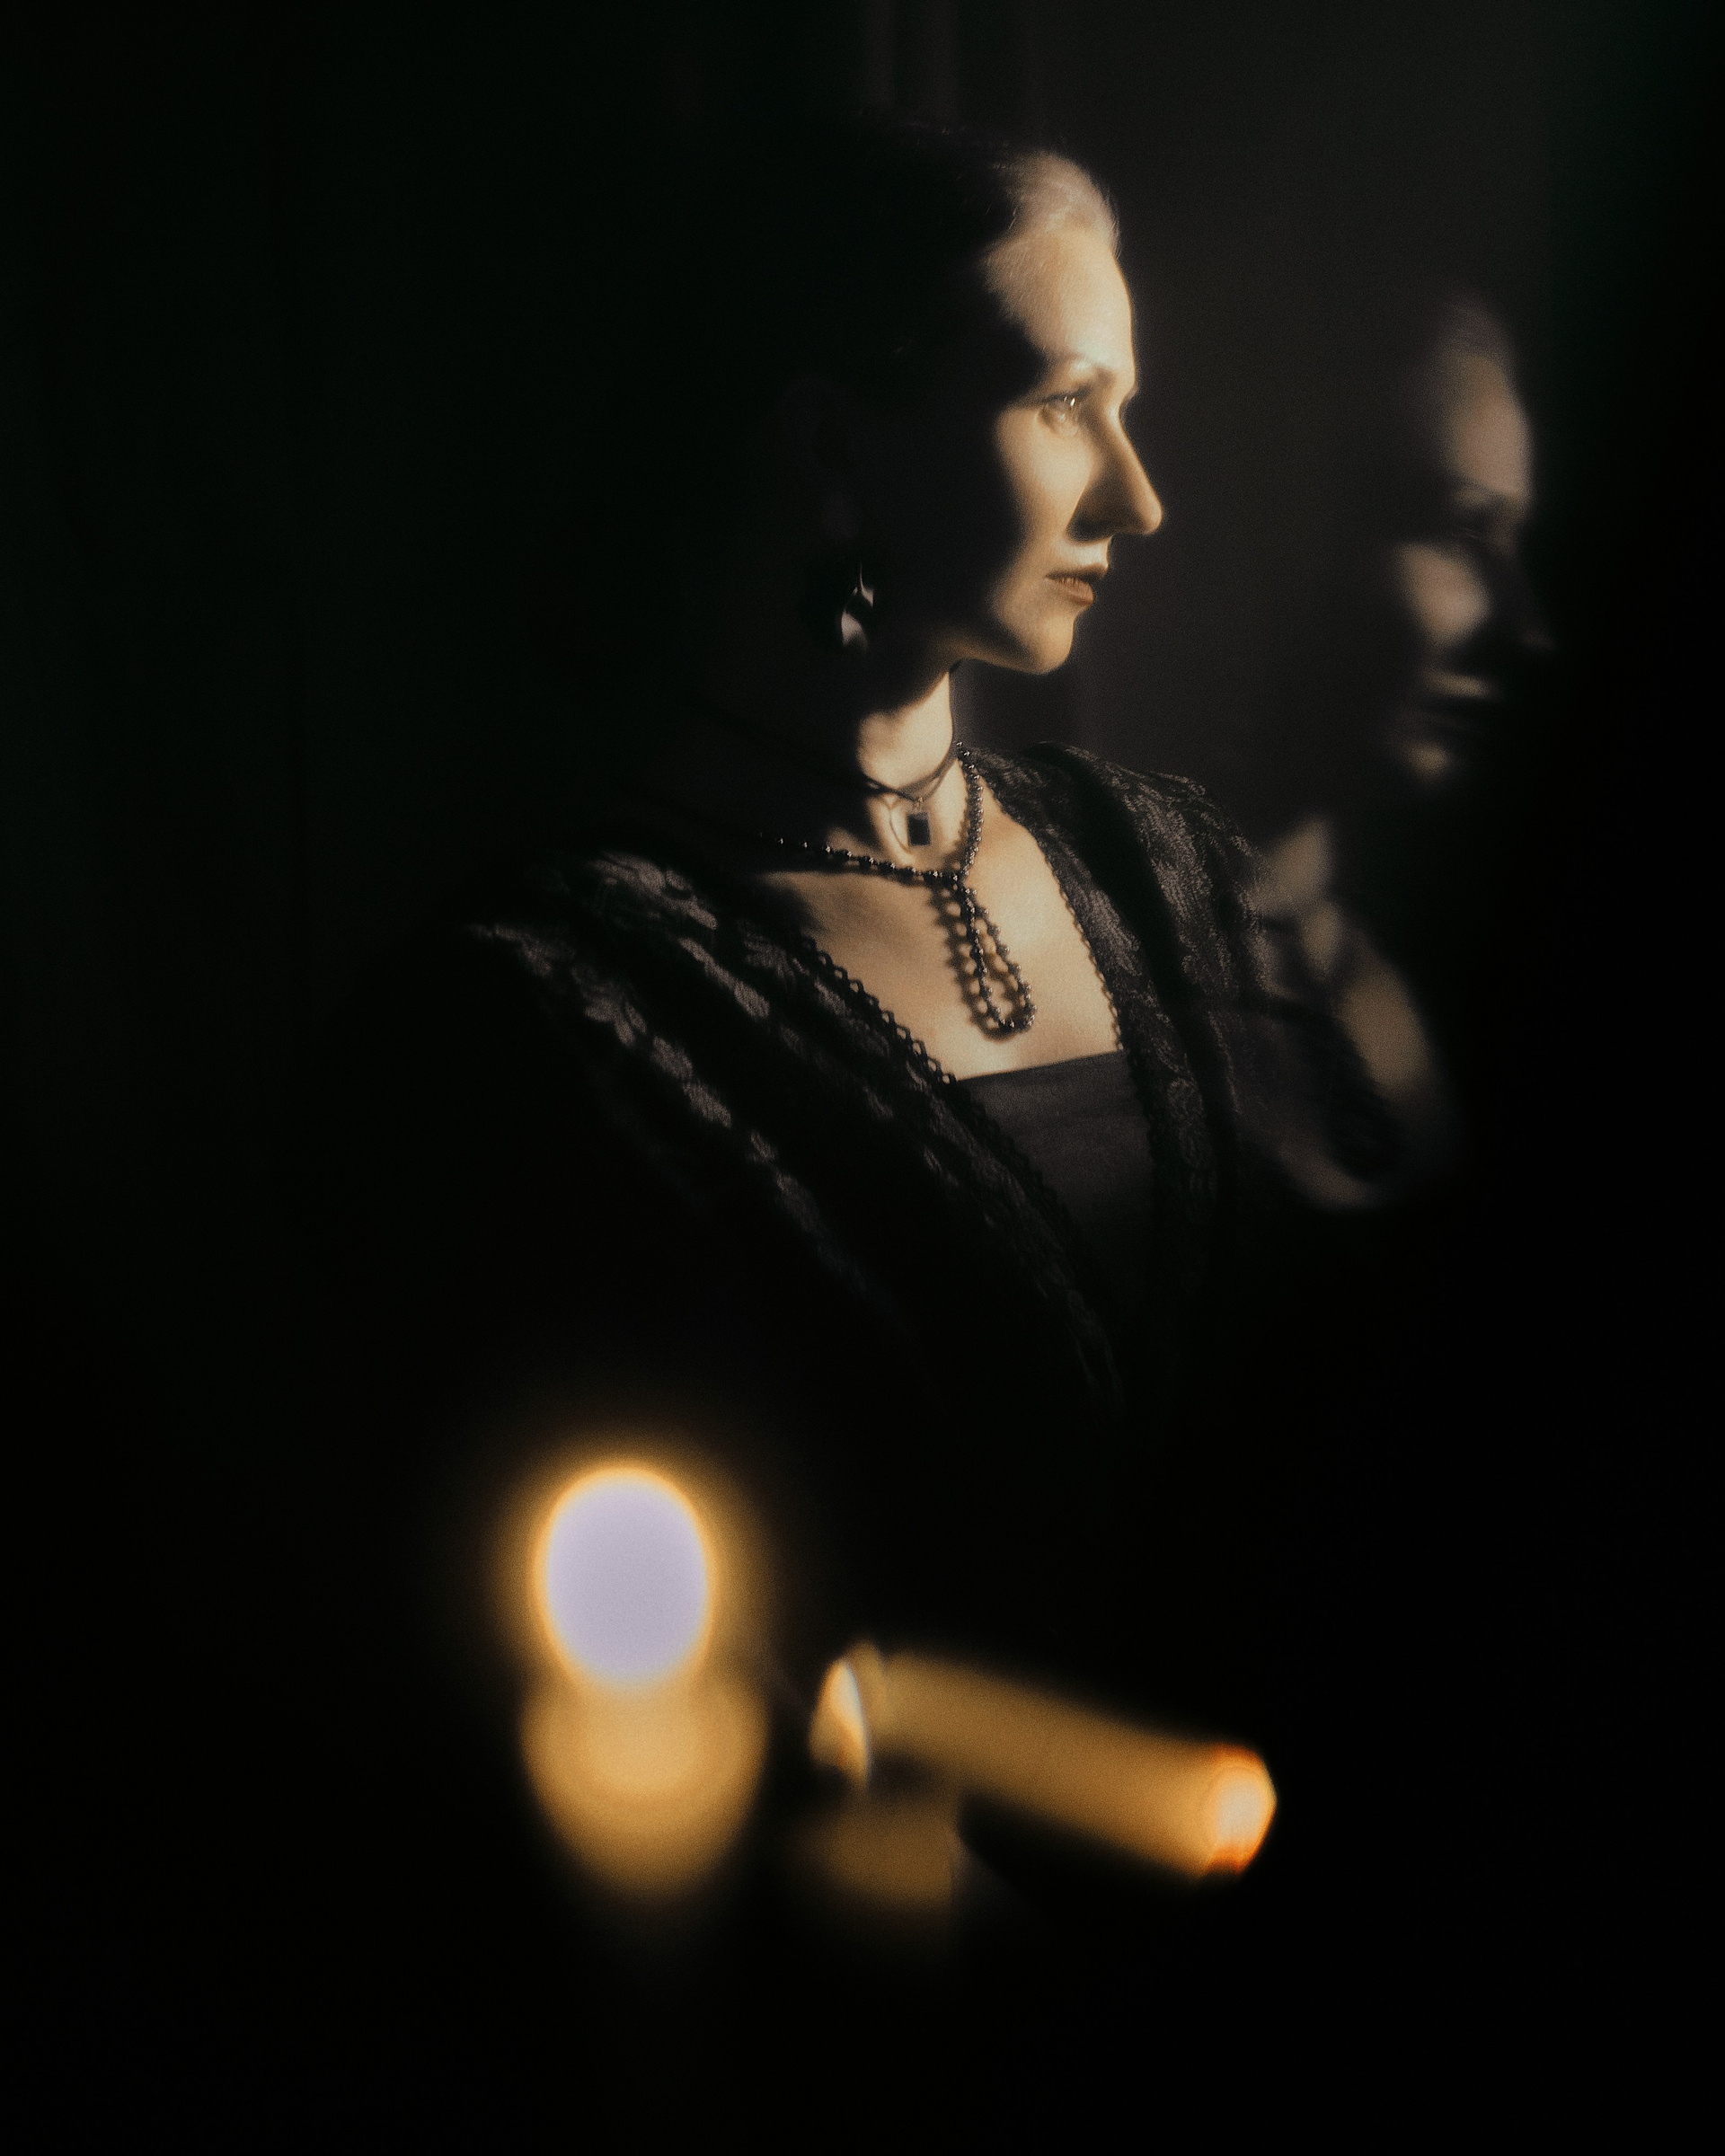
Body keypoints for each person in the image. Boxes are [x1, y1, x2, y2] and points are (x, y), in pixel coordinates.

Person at [288, 119, 1401, 1990]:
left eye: (1128, 412)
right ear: (828, 447)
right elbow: (646, 1682)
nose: (1139, 499)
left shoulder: (1181, 873)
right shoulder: (529, 1029)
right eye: (1063, 405)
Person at [1250, 292, 1549, 1185]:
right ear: (1288, 537)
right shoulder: (1079, 990)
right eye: (1460, 532)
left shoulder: (1388, 991)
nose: (1527, 628)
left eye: (1512, 542)